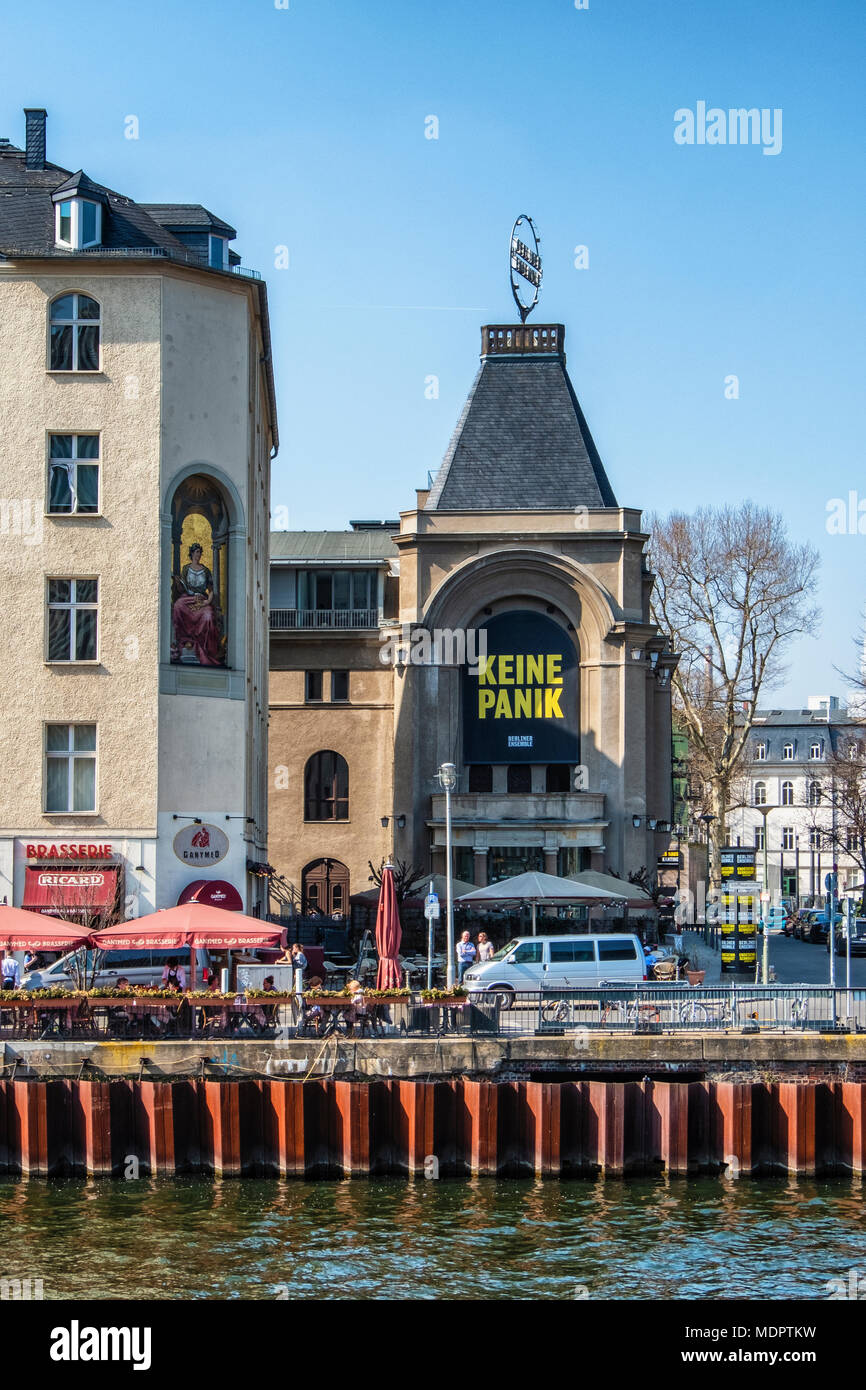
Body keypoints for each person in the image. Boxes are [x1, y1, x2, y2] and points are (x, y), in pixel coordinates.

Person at [171, 543, 223, 666]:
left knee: (208, 615)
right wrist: (178, 582)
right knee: (178, 606)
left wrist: (207, 601)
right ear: (192, 554)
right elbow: (181, 589)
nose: (198, 555)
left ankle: (205, 649)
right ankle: (185, 640)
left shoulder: (205, 571)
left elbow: (211, 591)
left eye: (199, 552)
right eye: (196, 552)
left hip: (202, 599)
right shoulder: (186, 569)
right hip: (187, 598)